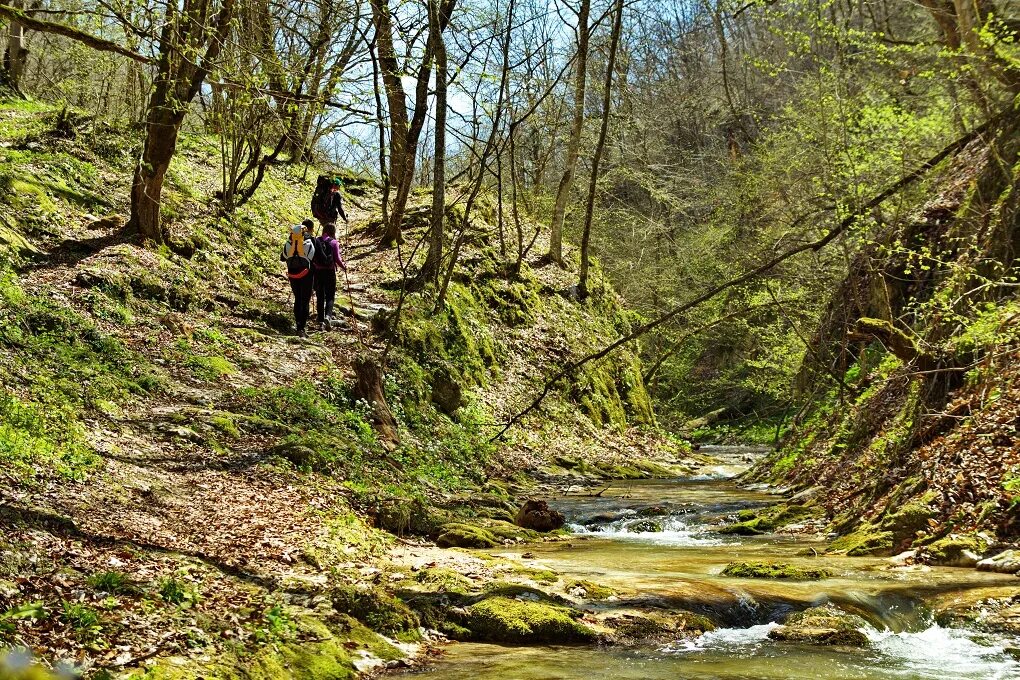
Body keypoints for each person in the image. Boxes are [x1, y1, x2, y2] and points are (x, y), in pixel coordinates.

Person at [280, 219, 316, 337]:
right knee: (305, 301)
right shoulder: (310, 241)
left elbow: (282, 258)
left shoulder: (289, 242)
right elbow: (316, 257)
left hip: (292, 274)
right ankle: (301, 328)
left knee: (298, 299)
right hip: (306, 274)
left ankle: (297, 325)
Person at [312, 222, 346, 331]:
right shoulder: (334, 242)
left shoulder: (316, 241)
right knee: (330, 296)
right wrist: (344, 267)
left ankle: (321, 320)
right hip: (330, 272)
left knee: (320, 295)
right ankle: (328, 317)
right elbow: (337, 258)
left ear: (324, 230)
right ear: (333, 232)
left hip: (318, 272)